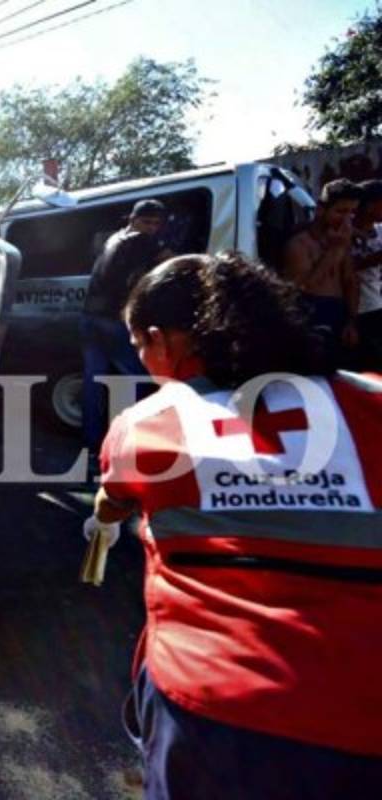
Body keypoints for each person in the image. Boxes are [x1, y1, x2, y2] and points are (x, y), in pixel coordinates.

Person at [85, 252, 382, 797]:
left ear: (163, 341)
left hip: (212, 714)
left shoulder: (147, 424)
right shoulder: (371, 399)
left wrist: (101, 520)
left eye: (140, 349)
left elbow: (113, 500)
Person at [80, 198, 173, 458]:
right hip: (112, 321)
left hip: (89, 318)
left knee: (93, 382)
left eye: (156, 223)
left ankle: (92, 445)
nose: (152, 228)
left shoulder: (112, 239)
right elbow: (175, 263)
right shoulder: (143, 240)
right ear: (133, 220)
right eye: (146, 221)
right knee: (139, 379)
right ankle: (134, 443)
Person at [283, 178, 362, 362]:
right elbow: (303, 286)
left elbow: (350, 280)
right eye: (340, 211)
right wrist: (335, 250)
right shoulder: (299, 244)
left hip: (339, 313)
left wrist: (351, 321)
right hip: (311, 316)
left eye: (351, 213)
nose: (346, 219)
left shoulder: (341, 239)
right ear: (320, 209)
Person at [351, 179, 382, 369]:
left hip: (376, 304)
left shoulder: (379, 230)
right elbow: (344, 268)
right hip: (358, 310)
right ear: (370, 205)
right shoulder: (344, 231)